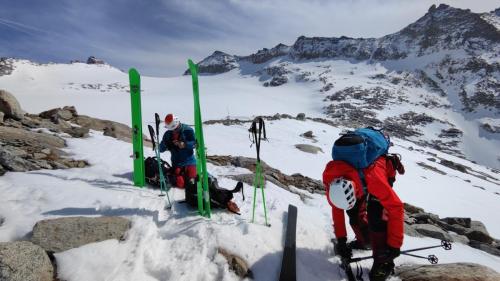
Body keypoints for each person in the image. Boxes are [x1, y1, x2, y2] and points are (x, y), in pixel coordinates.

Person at [323, 154, 404, 281]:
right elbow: (337, 209)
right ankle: (365, 240)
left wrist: (394, 245)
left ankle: (383, 262)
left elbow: (396, 208)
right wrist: (341, 240)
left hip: (380, 172)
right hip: (358, 176)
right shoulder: (332, 183)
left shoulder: (375, 181)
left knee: (376, 215)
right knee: (354, 213)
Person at [159, 113, 196, 189]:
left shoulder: (188, 130)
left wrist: (185, 144)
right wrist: (166, 144)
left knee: (193, 182)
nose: (174, 131)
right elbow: (160, 149)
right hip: (177, 163)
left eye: (175, 129)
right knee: (181, 184)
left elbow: (195, 144)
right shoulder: (168, 134)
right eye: (172, 130)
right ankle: (172, 174)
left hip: (189, 161)